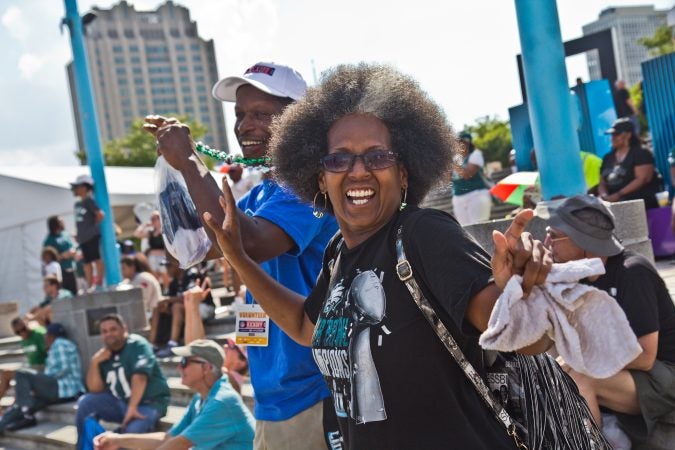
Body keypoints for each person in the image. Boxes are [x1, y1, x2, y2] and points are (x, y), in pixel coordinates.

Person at [201, 63, 553, 449]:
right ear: (320, 178)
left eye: (377, 157)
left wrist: (519, 296)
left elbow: (516, 333)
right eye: (339, 159)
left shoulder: (424, 234)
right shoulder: (339, 253)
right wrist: (238, 258)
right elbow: (306, 327)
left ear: (404, 173)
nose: (358, 172)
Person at [145, 61, 339, 449]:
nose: (243, 125)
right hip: (273, 398)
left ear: (298, 122)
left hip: (316, 392)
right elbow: (202, 246)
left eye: (261, 114)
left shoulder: (310, 187)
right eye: (239, 114)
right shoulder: (259, 195)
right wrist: (179, 169)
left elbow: (244, 242)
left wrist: (188, 161)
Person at [545, 195, 675, 446]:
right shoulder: (579, 277)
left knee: (582, 379)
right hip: (625, 373)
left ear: (583, 240)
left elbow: (646, 357)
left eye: (554, 235)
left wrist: (582, 360)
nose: (547, 242)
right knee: (558, 373)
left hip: (665, 372)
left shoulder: (632, 272)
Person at [92, 339, 255, 450]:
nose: (179, 368)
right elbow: (167, 438)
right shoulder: (203, 397)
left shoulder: (221, 401)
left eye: (185, 362)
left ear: (206, 368)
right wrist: (116, 439)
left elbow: (178, 444)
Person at [76, 314, 170, 448]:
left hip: (149, 403)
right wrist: (94, 362)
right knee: (86, 402)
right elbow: (95, 389)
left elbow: (140, 377)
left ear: (124, 329)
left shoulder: (137, 344)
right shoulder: (104, 354)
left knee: (130, 434)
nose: (109, 334)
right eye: (104, 331)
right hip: (121, 402)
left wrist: (132, 408)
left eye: (113, 329)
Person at [0, 323, 84, 432]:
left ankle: (27, 417)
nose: (44, 338)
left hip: (65, 389)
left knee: (21, 373)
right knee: (21, 405)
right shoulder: (56, 346)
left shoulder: (60, 343)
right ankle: (5, 424)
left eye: (46, 335)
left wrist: (39, 384)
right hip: (59, 393)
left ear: (51, 336)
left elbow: (63, 369)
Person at [150, 256, 215, 356]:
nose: (167, 269)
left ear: (177, 265)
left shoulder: (193, 274)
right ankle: (152, 344)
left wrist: (168, 300)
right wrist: (165, 305)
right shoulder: (173, 282)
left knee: (177, 307)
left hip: (204, 307)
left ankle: (173, 343)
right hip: (186, 309)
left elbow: (190, 297)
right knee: (160, 308)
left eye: (169, 266)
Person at [598, 118, 661, 209]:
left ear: (628, 135)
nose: (613, 138)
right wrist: (604, 196)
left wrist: (618, 195)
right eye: (612, 135)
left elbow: (642, 179)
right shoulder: (608, 157)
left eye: (617, 134)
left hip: (637, 201)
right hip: (612, 201)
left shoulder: (641, 153)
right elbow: (602, 182)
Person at [0, 318, 48, 404]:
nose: (22, 333)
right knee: (6, 374)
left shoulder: (38, 335)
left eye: (23, 329)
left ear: (27, 325)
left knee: (15, 375)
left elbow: (48, 352)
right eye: (18, 332)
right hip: (32, 368)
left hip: (42, 368)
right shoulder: (23, 341)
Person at [70, 174, 105, 290]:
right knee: (87, 262)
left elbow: (100, 214)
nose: (75, 190)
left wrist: (92, 226)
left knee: (96, 258)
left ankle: (98, 283)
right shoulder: (78, 204)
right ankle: (90, 285)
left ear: (85, 188)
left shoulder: (89, 201)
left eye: (77, 187)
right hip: (83, 237)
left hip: (91, 236)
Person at [451, 131, 492, 225]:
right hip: (458, 197)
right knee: (465, 230)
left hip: (477, 195)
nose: (458, 145)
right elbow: (448, 178)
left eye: (461, 142)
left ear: (468, 143)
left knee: (478, 228)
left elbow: (467, 174)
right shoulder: (455, 158)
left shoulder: (476, 154)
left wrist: (452, 164)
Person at [119, 255, 163, 321]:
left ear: (132, 267)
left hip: (153, 313)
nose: (122, 272)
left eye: (123, 268)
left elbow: (144, 300)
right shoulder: (127, 281)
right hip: (141, 313)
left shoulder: (143, 278)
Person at [43, 215, 78, 295]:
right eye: (60, 222)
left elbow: (73, 246)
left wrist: (73, 251)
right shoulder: (49, 241)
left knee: (75, 295)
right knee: (65, 295)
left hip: (72, 269)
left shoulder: (65, 234)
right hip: (61, 272)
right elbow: (48, 259)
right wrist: (62, 256)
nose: (63, 223)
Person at [134, 211, 169, 289]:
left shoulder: (165, 231)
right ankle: (158, 291)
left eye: (155, 218)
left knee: (165, 274)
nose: (153, 220)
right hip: (152, 258)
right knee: (154, 276)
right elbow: (136, 234)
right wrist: (144, 225)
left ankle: (167, 290)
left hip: (163, 257)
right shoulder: (150, 233)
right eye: (152, 218)